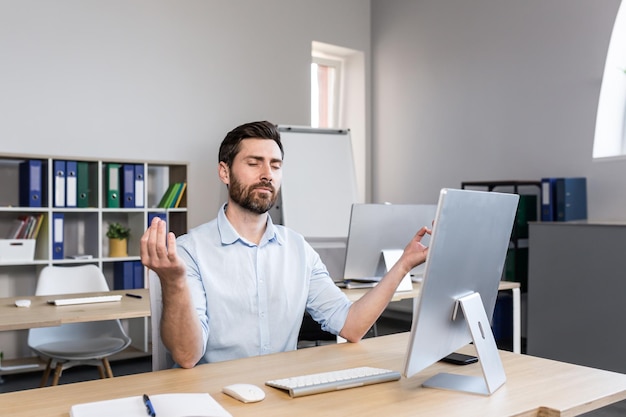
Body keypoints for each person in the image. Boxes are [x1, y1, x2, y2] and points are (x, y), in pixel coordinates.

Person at [140, 120, 431, 368]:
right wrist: (174, 282)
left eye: (275, 166)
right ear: (224, 172)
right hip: (216, 398)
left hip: (282, 395)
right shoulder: (191, 250)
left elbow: (351, 325)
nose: (267, 174)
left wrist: (403, 265)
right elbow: (187, 355)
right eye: (254, 163)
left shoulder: (298, 249)